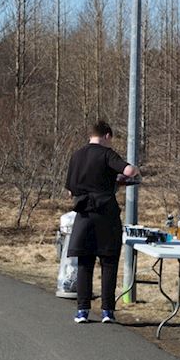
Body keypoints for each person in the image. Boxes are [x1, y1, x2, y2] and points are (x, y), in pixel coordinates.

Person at [64, 120, 138, 324]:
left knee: (85, 262)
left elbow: (71, 189)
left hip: (84, 213)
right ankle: (107, 311)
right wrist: (131, 172)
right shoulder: (107, 153)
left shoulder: (77, 155)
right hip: (106, 213)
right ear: (107, 136)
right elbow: (129, 171)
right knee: (108, 261)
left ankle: (82, 311)